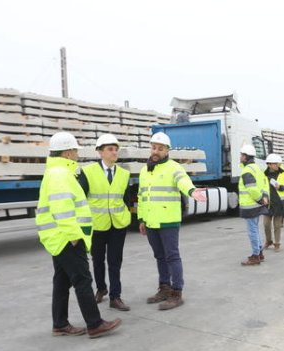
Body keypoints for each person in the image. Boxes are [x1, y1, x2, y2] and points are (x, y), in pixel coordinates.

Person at [35, 131, 121, 338]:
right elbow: (62, 207)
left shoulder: (58, 172)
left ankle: (60, 324)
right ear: (67, 153)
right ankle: (95, 324)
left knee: (62, 281)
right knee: (82, 279)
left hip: (59, 236)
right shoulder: (60, 174)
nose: (76, 154)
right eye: (74, 150)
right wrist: (74, 235)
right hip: (67, 237)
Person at [138, 132, 207, 310]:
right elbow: (142, 196)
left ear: (167, 150)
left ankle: (177, 292)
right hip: (151, 221)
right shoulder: (145, 170)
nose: (156, 151)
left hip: (168, 221)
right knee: (159, 256)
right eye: (154, 147)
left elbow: (183, 182)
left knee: (172, 256)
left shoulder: (174, 167)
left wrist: (192, 191)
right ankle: (164, 288)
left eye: (160, 149)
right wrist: (142, 219)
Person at [79, 133, 130, 311]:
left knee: (115, 261)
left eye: (116, 149)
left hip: (118, 224)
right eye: (110, 149)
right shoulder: (87, 172)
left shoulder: (124, 174)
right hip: (97, 224)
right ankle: (101, 289)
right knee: (98, 260)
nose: (114, 152)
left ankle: (116, 297)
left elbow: (127, 199)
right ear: (100, 152)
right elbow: (81, 199)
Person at [238, 144, 270, 265]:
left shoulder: (247, 171)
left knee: (252, 231)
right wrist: (264, 198)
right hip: (257, 205)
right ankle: (260, 253)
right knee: (255, 229)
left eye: (242, 155)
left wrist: (260, 199)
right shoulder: (257, 169)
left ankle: (255, 256)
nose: (240, 156)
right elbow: (265, 184)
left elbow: (252, 189)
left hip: (251, 205)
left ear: (246, 157)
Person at [263, 153, 284, 251]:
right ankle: (269, 241)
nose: (277, 165)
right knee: (266, 224)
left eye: (277, 163)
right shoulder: (264, 174)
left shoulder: (283, 173)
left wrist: (281, 187)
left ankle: (277, 243)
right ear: (269, 164)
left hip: (279, 203)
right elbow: (261, 188)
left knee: (277, 226)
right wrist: (263, 197)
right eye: (275, 164)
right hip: (268, 203)